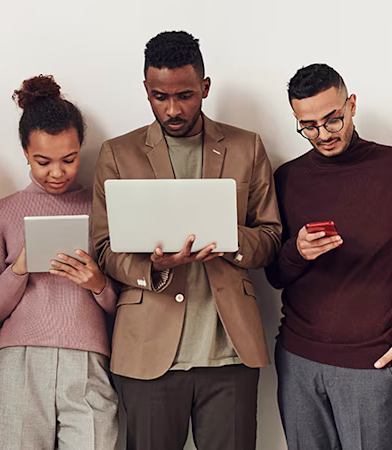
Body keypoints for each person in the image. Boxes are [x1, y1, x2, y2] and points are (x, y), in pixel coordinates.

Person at [92, 31, 281, 450]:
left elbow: (270, 239)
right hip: (148, 350)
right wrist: (155, 266)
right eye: (160, 96)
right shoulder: (118, 154)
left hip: (230, 351)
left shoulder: (245, 146)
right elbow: (104, 249)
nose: (173, 109)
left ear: (205, 88)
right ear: (146, 90)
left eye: (185, 95)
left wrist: (228, 241)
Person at [264, 63, 392, 449]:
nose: (323, 134)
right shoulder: (287, 178)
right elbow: (274, 274)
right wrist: (297, 252)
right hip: (299, 359)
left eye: (333, 120)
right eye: (308, 126)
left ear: (352, 105)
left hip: (375, 362)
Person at [0, 74, 119, 450]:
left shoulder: (102, 209)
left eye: (69, 160)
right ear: (25, 151)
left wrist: (97, 283)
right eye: (43, 161)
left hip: (89, 359)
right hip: (19, 362)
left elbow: (123, 304)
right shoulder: (2, 214)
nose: (57, 172)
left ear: (81, 150)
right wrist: (20, 270)